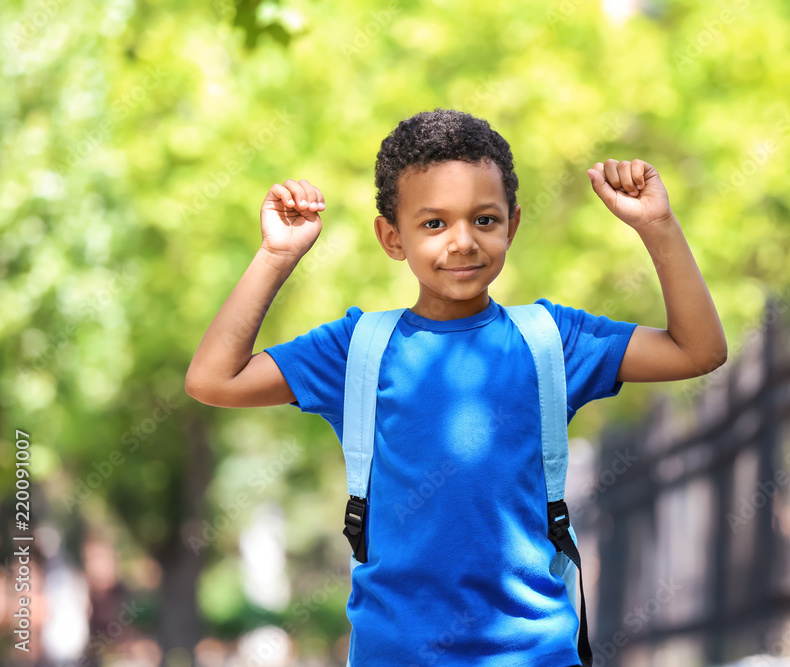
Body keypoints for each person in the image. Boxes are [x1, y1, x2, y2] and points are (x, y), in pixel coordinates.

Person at [185, 108, 727, 666]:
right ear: (391, 237)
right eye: (434, 223)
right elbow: (212, 380)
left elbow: (699, 350)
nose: (463, 242)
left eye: (484, 220)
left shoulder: (553, 340)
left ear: (513, 224)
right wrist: (277, 255)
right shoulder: (358, 348)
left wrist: (656, 227)